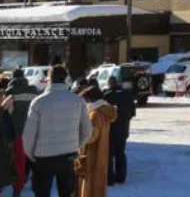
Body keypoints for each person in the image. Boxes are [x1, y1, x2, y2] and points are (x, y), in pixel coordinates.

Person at [22, 65, 93, 197]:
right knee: (66, 192)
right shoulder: (78, 101)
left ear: (49, 79)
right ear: (66, 79)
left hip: (43, 157)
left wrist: (31, 155)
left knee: (41, 192)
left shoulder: (39, 102)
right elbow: (87, 130)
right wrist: (76, 146)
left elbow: (28, 134)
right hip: (68, 155)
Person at [76, 86, 117, 197]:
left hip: (91, 157)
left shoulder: (94, 114)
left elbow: (90, 136)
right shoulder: (104, 111)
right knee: (98, 186)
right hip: (100, 155)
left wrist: (78, 128)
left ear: (90, 100)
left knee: (90, 187)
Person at [6, 68, 39, 195]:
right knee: (33, 160)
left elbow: (7, 114)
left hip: (17, 132)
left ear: (12, 78)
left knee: (18, 161)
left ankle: (17, 188)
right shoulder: (33, 90)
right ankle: (35, 183)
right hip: (33, 131)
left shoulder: (10, 92)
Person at [104, 75, 136, 186]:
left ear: (109, 84)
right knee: (121, 153)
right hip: (123, 129)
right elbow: (132, 113)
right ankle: (121, 177)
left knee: (109, 154)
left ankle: (109, 178)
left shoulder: (107, 96)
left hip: (111, 130)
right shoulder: (128, 95)